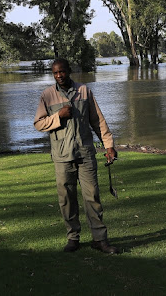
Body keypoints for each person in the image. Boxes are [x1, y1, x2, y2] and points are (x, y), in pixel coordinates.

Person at [34, 58, 119, 254]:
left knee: (93, 197)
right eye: (55, 73)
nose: (59, 76)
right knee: (67, 199)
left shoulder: (84, 91)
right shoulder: (47, 95)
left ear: (68, 71)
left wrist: (109, 146)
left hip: (85, 154)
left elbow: (98, 121)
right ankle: (73, 238)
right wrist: (58, 117)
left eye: (62, 72)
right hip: (62, 156)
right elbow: (39, 124)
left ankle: (100, 239)